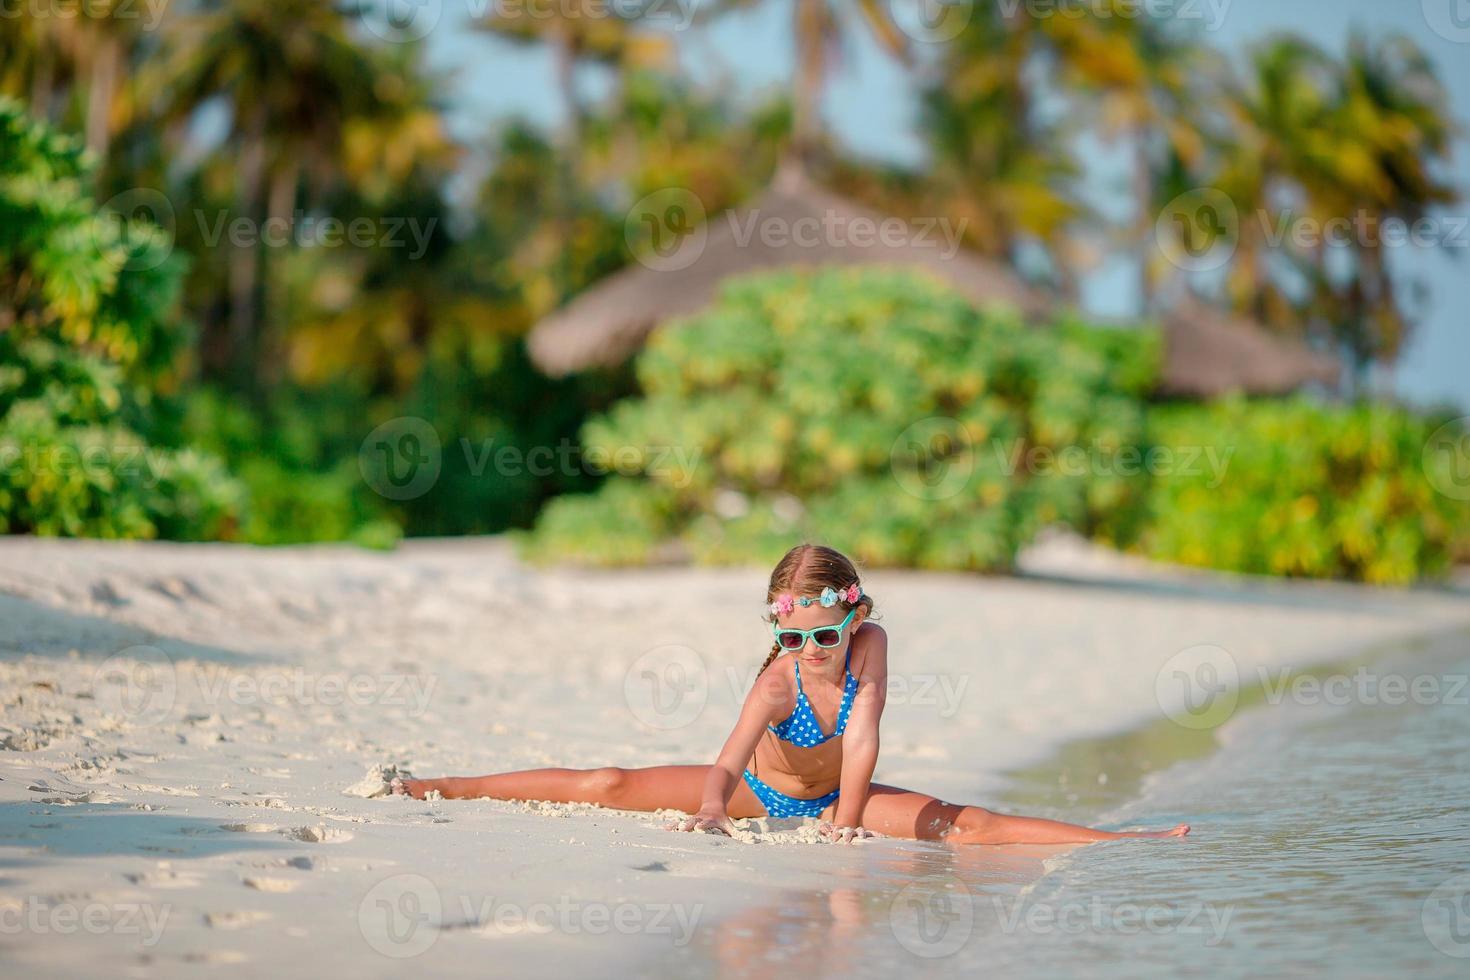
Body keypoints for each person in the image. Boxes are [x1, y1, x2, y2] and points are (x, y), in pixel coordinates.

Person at [393, 543, 1190, 845]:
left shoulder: (870, 645)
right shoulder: (778, 679)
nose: (811, 651)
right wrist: (710, 811)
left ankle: (1116, 843)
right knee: (607, 783)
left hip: (840, 796)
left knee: (964, 823)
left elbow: (867, 739)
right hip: (757, 795)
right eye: (796, 636)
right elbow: (726, 760)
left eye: (824, 634)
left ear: (855, 616)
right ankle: (451, 782)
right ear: (779, 634)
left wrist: (846, 824)